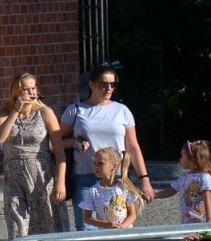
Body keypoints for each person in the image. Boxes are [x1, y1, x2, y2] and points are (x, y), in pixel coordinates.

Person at [59, 65, 156, 229]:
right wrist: (74, 143)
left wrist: (144, 179)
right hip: (85, 177)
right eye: (104, 84)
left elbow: (133, 147)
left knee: (116, 226)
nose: (108, 88)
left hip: (116, 179)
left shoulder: (122, 111)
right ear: (91, 85)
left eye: (113, 84)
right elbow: (54, 142)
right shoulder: (75, 110)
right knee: (86, 229)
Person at [0, 72, 67, 237]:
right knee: (17, 227)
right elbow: (0, 138)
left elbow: (60, 152)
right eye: (26, 89)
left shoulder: (45, 112)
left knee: (45, 228)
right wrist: (16, 111)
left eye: (34, 88)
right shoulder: (4, 112)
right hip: (14, 176)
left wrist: (60, 182)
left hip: (40, 174)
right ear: (16, 91)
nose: (32, 93)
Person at [77, 147, 141, 229]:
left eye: (100, 163)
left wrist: (122, 227)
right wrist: (105, 225)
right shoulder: (94, 191)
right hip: (106, 237)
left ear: (114, 167)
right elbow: (87, 218)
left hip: (125, 236)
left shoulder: (124, 188)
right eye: (94, 163)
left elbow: (132, 214)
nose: (96, 167)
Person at [157, 140, 211, 224]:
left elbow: (207, 198)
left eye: (182, 157)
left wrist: (209, 221)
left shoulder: (204, 177)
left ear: (191, 160)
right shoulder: (183, 177)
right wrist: (154, 195)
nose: (180, 159)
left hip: (201, 222)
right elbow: (171, 191)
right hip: (187, 221)